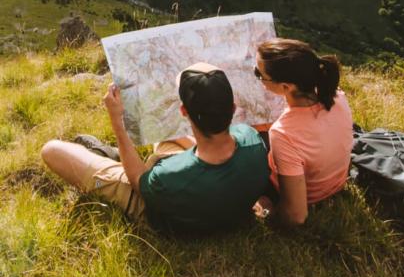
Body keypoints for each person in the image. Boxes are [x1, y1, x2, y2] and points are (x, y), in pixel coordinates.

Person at [41, 62, 270, 233]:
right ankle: (117, 155)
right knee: (167, 138)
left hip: (159, 210)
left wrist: (117, 123)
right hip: (213, 192)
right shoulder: (252, 141)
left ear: (184, 112)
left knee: (52, 150)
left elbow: (137, 179)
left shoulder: (169, 175)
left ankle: (110, 156)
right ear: (232, 108)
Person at [253, 38, 353, 226]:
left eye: (259, 74)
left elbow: (296, 216)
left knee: (245, 151)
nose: (258, 77)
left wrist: (267, 210)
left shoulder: (283, 133)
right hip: (336, 184)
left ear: (286, 87)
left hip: (307, 196)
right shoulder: (338, 97)